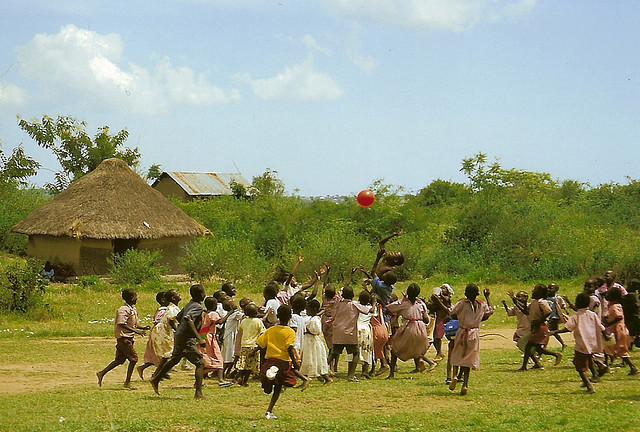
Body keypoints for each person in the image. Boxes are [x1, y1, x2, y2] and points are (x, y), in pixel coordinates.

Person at [150, 284, 208, 398]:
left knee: (174, 359)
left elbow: (178, 316)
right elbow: (187, 318)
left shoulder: (190, 304)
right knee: (200, 363)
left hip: (180, 335)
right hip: (186, 338)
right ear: (202, 294)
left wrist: (180, 329)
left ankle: (156, 379)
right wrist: (199, 337)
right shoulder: (197, 307)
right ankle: (198, 393)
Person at [551, 293, 609, 393]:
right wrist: (606, 335)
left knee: (580, 367)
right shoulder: (592, 314)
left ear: (577, 303)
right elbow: (601, 327)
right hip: (592, 343)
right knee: (589, 358)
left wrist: (555, 331)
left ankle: (589, 386)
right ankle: (595, 375)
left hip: (582, 344)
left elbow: (567, 328)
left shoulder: (576, 316)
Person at [96, 289, 149, 389]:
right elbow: (121, 324)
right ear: (132, 298)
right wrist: (137, 331)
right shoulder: (123, 310)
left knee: (119, 360)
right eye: (135, 296)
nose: (137, 299)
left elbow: (133, 324)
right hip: (124, 338)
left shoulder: (132, 309)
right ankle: (127, 382)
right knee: (134, 359)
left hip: (128, 338)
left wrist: (142, 328)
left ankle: (102, 373)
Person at [257, 305, 302, 420]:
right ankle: (269, 411)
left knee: (268, 388)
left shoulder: (270, 330)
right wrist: (295, 361)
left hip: (270, 360)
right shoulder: (290, 332)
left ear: (277, 316)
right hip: (283, 362)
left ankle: (269, 380)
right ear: (290, 317)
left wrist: (255, 354)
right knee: (284, 385)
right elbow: (289, 348)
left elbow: (260, 344)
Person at [448, 284, 493, 396]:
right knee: (468, 358)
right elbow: (489, 312)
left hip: (462, 331)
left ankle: (454, 375)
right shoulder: (481, 304)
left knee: (457, 353)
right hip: (474, 333)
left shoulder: (462, 303)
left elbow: (452, 313)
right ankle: (465, 384)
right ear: (477, 294)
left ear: (465, 294)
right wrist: (487, 297)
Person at [328, 271, 373, 382]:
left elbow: (333, 314)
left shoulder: (338, 304)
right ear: (353, 296)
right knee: (355, 353)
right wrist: (375, 301)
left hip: (338, 333)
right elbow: (368, 311)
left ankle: (323, 370)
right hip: (349, 334)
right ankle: (351, 375)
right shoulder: (354, 304)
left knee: (333, 353)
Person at [385, 283, 432, 379]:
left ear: (407, 292)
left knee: (395, 349)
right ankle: (418, 364)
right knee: (416, 347)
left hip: (409, 327)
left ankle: (391, 374)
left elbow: (388, 309)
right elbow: (426, 320)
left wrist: (397, 312)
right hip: (421, 329)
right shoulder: (421, 304)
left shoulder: (402, 303)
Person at [519, 284, 562, 371]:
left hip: (540, 327)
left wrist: (539, 320)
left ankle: (556, 355)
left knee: (532, 347)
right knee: (534, 348)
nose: (532, 291)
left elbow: (548, 311)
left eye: (535, 290)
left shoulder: (542, 302)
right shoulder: (533, 302)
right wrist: (523, 303)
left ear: (540, 293)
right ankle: (524, 366)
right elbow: (526, 312)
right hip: (535, 326)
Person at [147, 289, 182, 380]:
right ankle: (157, 374)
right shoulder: (172, 308)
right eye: (177, 294)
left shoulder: (173, 307)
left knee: (167, 355)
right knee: (168, 354)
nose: (179, 294)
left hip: (165, 332)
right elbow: (171, 321)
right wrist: (178, 331)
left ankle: (159, 373)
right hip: (163, 332)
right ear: (173, 298)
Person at [603, 287, 638, 374]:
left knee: (621, 351)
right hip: (616, 330)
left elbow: (618, 317)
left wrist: (608, 323)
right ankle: (605, 364)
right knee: (607, 347)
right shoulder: (613, 305)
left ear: (612, 297)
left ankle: (632, 367)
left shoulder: (614, 306)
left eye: (608, 294)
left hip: (618, 331)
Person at [199, 297, 233, 386]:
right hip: (209, 337)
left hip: (202, 335)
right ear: (214, 306)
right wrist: (229, 313)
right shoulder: (213, 314)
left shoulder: (204, 314)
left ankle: (200, 380)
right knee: (218, 357)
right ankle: (221, 380)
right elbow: (220, 321)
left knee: (205, 356)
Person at [300, 299, 333, 387]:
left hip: (313, 343)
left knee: (317, 361)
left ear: (314, 309)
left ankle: (327, 378)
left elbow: (316, 330)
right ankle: (305, 380)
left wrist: (307, 330)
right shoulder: (311, 319)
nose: (307, 311)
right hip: (308, 342)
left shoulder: (315, 320)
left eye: (308, 309)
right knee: (307, 360)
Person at [136, 291, 168, 380]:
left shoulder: (162, 309)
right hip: (159, 334)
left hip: (160, 333)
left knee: (160, 354)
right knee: (160, 354)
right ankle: (156, 373)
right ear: (163, 300)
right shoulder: (163, 311)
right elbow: (158, 320)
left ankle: (161, 372)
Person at [234, 303, 265, 387]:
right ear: (256, 313)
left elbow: (240, 331)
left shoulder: (243, 321)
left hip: (244, 345)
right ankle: (244, 380)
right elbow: (262, 333)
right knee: (250, 365)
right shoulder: (258, 321)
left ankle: (239, 376)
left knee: (243, 363)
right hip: (253, 346)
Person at [427, 283, 453, 362]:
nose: (442, 289)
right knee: (435, 337)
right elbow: (432, 307)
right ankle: (439, 352)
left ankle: (439, 353)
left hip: (444, 318)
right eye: (441, 288)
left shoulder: (446, 298)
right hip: (437, 318)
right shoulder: (437, 299)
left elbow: (445, 304)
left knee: (438, 335)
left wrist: (439, 297)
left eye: (444, 288)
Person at [221, 299, 243, 379]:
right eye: (233, 302)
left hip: (228, 337)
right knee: (229, 357)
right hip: (230, 337)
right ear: (231, 306)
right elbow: (245, 316)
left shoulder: (230, 314)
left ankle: (226, 373)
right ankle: (223, 373)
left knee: (228, 357)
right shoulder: (235, 314)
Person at [546, 282, 569, 351]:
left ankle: (543, 346)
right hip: (548, 316)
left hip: (554, 317)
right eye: (548, 288)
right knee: (553, 332)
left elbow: (562, 305)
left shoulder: (557, 298)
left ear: (556, 290)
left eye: (551, 288)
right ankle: (563, 344)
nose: (549, 289)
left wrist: (566, 310)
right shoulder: (545, 297)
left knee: (549, 331)